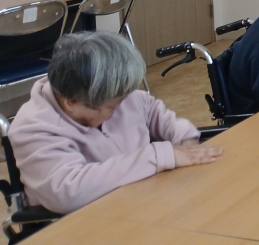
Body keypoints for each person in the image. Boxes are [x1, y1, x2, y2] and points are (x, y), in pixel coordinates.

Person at [8, 31, 221, 214]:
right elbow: (67, 192)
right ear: (71, 102)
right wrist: (156, 156)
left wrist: (186, 143)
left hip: (146, 203)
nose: (122, 106)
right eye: (112, 106)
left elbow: (153, 111)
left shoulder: (113, 95)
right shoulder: (33, 129)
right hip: (90, 222)